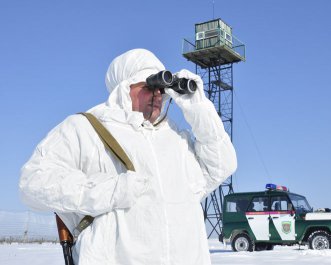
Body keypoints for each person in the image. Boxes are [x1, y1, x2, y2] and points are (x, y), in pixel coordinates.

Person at [19, 48, 237, 265]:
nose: (158, 94)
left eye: (162, 89)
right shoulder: (85, 128)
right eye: (149, 86)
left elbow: (221, 166)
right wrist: (109, 190)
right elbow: (33, 182)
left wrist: (199, 110)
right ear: (123, 89)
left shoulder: (175, 138)